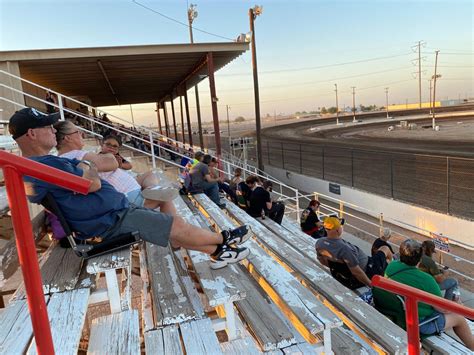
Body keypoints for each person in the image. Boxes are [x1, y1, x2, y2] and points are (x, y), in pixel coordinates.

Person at [9, 107, 250, 270]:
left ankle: (219, 251)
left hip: (111, 216)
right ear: (32, 133)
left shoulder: (45, 163)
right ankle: (223, 239)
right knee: (175, 225)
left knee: (173, 225)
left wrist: (86, 166)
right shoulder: (40, 166)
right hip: (108, 224)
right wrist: (86, 165)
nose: (53, 130)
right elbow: (92, 182)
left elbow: (90, 172)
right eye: (48, 127)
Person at [54, 121, 177, 212]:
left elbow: (120, 165)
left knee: (149, 175)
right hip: (127, 198)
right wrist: (112, 159)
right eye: (77, 132)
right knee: (166, 197)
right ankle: (176, 234)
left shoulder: (67, 157)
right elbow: (111, 163)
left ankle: (152, 188)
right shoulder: (76, 156)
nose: (82, 134)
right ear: (67, 138)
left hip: (126, 191)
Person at [375, 239, 473, 350]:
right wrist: (457, 305)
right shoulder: (427, 280)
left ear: (401, 254)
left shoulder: (391, 266)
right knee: (459, 317)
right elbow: (443, 309)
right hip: (418, 324)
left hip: (398, 314)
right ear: (420, 259)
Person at [316, 216, 391, 289]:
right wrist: (372, 286)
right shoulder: (344, 249)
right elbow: (356, 272)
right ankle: (389, 271)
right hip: (369, 269)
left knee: (384, 257)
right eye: (340, 226)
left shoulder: (320, 242)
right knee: (385, 248)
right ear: (338, 230)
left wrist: (336, 267)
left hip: (347, 271)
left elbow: (321, 259)